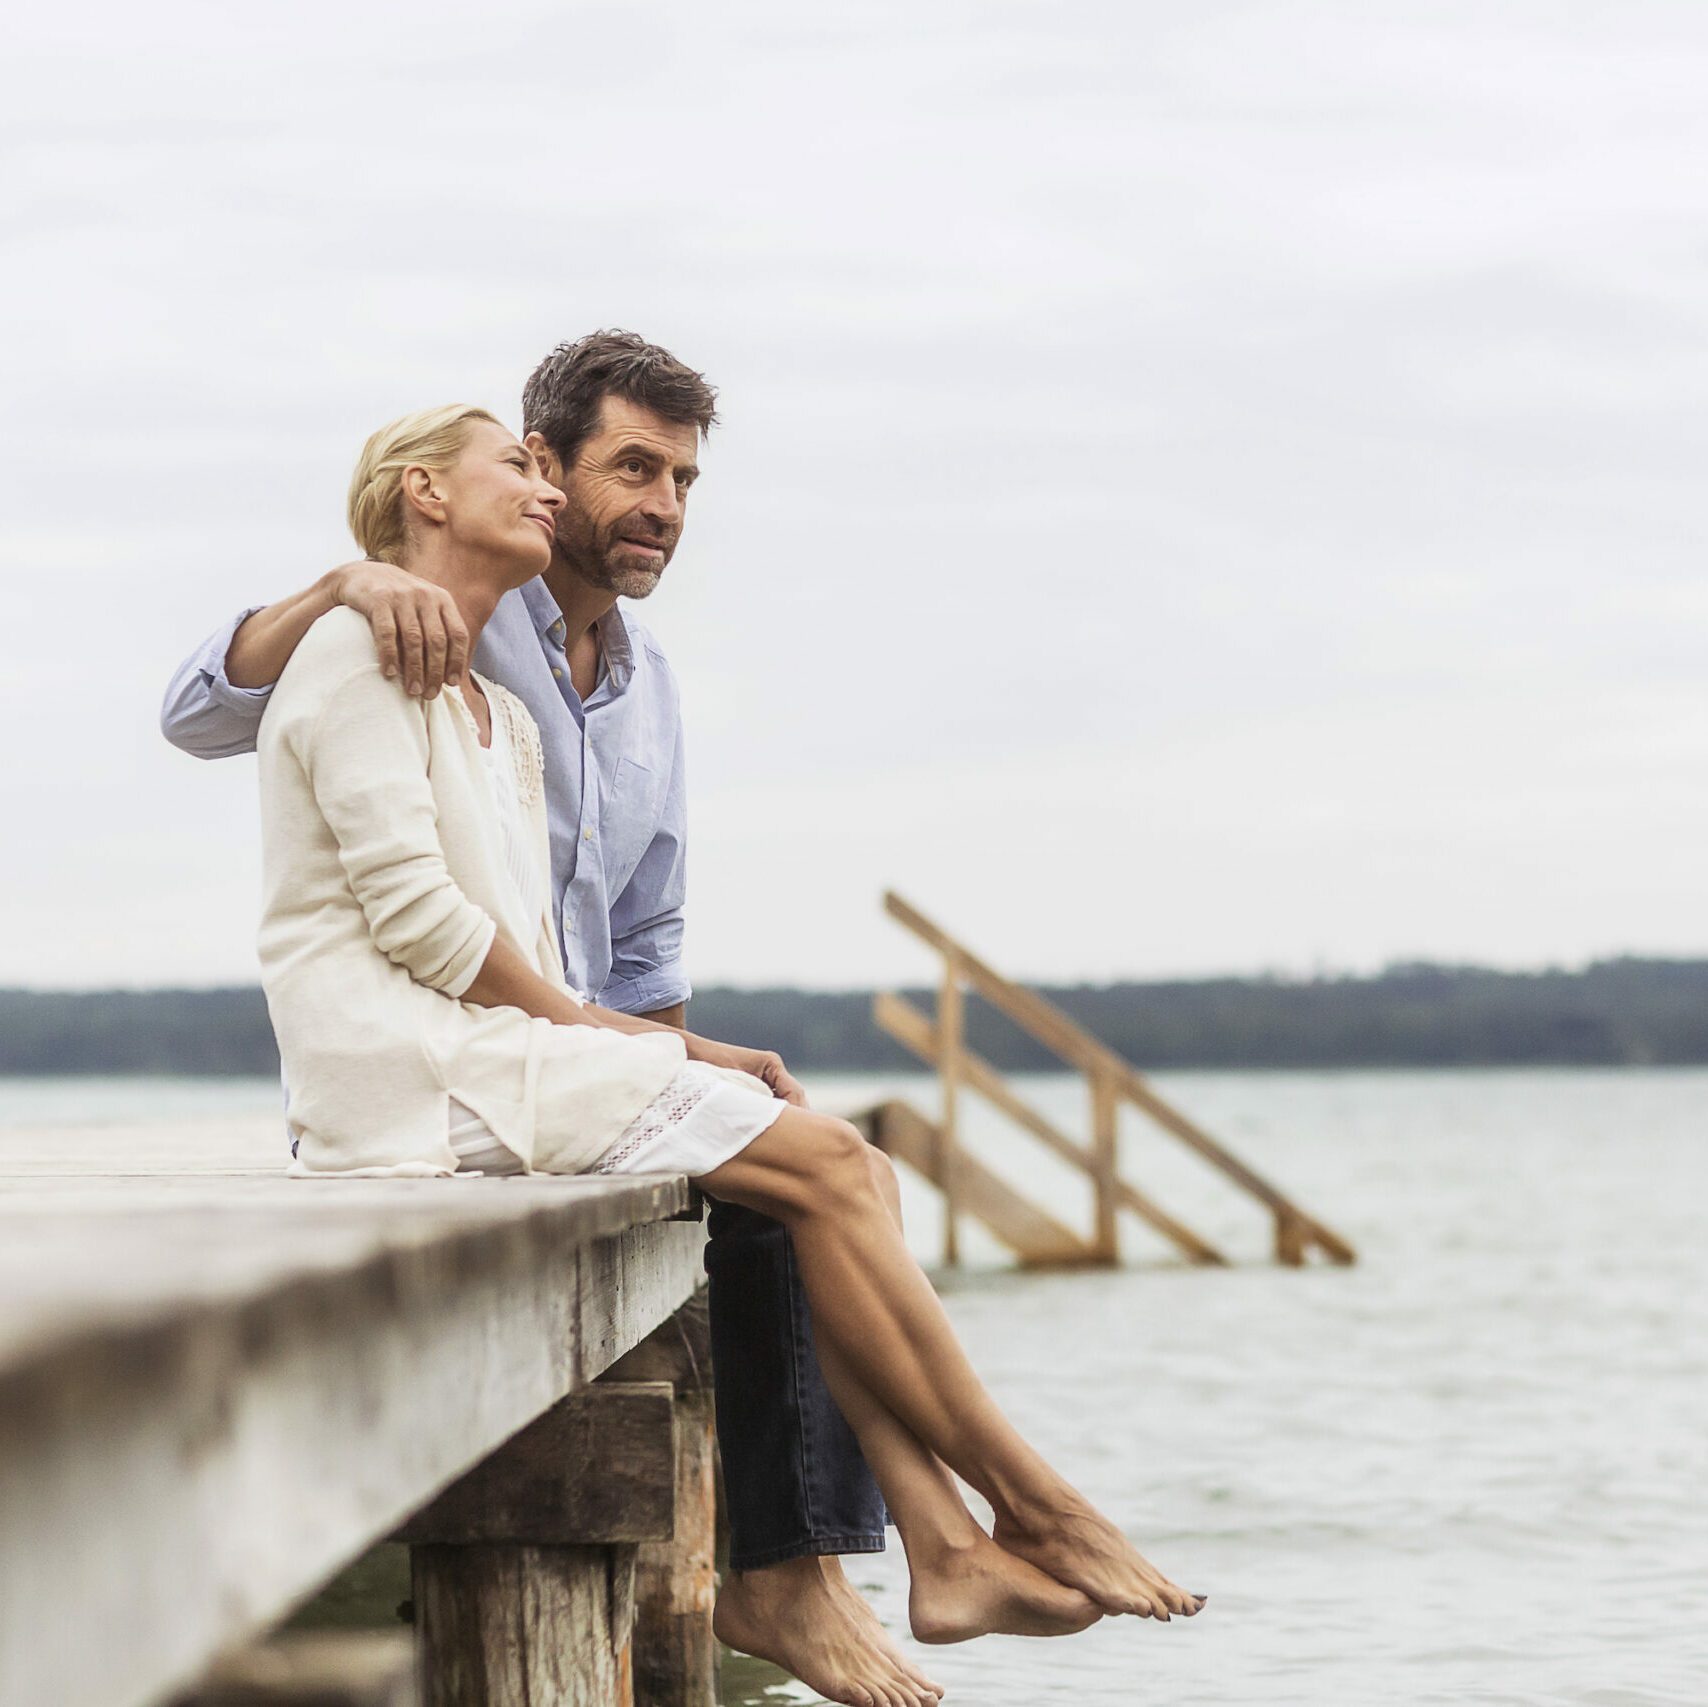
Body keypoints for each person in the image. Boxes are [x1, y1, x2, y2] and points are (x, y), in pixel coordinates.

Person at [257, 403, 1204, 1705]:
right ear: (424, 492)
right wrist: (609, 1042)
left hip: (500, 1060)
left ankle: (951, 1546)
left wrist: (672, 1048)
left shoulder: (503, 717)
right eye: (521, 468)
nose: (546, 493)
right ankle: (1034, 1508)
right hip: (406, 1083)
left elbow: (543, 945)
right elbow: (424, 924)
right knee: (822, 1169)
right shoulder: (351, 653)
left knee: (841, 1170)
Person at [161, 332, 933, 1701]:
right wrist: (344, 582)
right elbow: (199, 716)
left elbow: (648, 932)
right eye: (632, 468)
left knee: (790, 1191)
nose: (665, 507)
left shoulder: (651, 691)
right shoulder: (427, 614)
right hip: (466, 1072)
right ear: (549, 471)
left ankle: (808, 1573)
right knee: (811, 1182)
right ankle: (909, 1556)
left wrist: (681, 1083)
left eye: (686, 480)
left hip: (584, 1067)